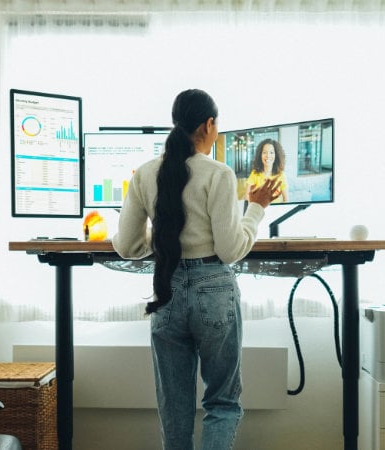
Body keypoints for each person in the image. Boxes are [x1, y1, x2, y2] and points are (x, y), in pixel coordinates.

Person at [111, 89, 280, 450]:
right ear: (208, 124)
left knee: (175, 411)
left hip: (167, 291)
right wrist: (256, 207)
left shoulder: (145, 174)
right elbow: (231, 249)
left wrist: (157, 243)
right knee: (221, 402)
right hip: (214, 290)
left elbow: (126, 246)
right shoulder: (218, 174)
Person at [244, 138, 288, 203]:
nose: (268, 156)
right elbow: (247, 196)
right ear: (260, 155)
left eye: (271, 152)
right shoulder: (255, 173)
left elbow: (286, 199)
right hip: (259, 210)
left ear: (276, 155)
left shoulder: (281, 175)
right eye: (264, 152)